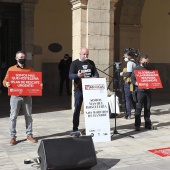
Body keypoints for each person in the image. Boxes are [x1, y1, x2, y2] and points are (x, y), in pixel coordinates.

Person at [3, 51, 37, 145]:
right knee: (13, 116)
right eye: (21, 57)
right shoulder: (11, 69)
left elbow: (34, 80)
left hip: (27, 97)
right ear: (16, 58)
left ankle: (29, 135)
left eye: (24, 57)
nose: (23, 58)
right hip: (15, 97)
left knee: (28, 116)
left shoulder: (30, 69)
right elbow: (4, 81)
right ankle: (12, 137)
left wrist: (39, 85)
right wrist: (7, 84)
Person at [69, 47, 99, 136]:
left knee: (91, 109)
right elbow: (70, 76)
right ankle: (75, 129)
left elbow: (95, 73)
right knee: (77, 108)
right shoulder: (74, 63)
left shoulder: (91, 63)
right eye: (84, 54)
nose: (85, 56)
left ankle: (90, 128)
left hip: (90, 89)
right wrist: (77, 75)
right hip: (79, 90)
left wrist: (96, 76)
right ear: (80, 54)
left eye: (87, 54)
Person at [131, 55, 152, 131]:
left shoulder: (149, 69)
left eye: (147, 61)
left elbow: (152, 79)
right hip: (139, 91)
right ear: (140, 61)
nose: (146, 63)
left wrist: (152, 85)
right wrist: (140, 84)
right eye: (145, 61)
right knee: (138, 108)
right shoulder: (136, 69)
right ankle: (137, 125)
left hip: (148, 91)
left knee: (147, 108)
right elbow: (133, 80)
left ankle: (147, 123)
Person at [120, 48, 137, 119]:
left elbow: (128, 73)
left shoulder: (130, 63)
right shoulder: (135, 62)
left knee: (127, 98)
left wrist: (122, 74)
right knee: (133, 98)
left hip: (129, 83)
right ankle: (137, 112)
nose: (125, 58)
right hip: (134, 82)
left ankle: (128, 114)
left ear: (129, 56)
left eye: (125, 56)